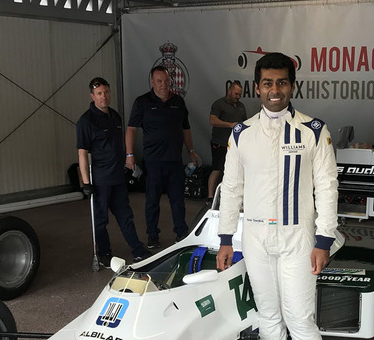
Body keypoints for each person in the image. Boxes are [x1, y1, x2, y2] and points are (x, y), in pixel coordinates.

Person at [216, 52, 338, 340]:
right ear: (256, 87)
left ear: (292, 87)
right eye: (267, 83)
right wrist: (225, 238)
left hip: (298, 238)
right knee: (268, 318)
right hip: (256, 238)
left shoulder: (314, 131)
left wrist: (324, 240)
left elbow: (327, 187)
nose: (274, 90)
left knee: (299, 319)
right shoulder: (241, 133)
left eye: (282, 83)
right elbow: (231, 188)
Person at [76, 77, 149, 266]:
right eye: (99, 93)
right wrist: (85, 183)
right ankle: (105, 254)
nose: (104, 97)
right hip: (100, 180)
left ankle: (138, 250)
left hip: (117, 178)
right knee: (100, 221)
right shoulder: (86, 121)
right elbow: (82, 153)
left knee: (126, 216)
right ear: (92, 96)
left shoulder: (115, 116)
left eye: (106, 92)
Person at [125, 66, 199, 249]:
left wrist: (191, 150)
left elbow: (186, 129)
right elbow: (131, 129)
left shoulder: (178, 102)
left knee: (177, 200)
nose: (163, 85)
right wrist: (129, 154)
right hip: (153, 161)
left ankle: (181, 233)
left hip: (174, 160)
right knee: (152, 201)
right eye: (159, 81)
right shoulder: (142, 102)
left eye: (166, 81)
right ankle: (152, 235)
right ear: (152, 82)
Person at [207, 81, 247, 204]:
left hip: (235, 144)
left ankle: (229, 197)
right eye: (236, 94)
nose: (238, 96)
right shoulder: (219, 104)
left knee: (234, 170)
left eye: (239, 94)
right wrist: (230, 125)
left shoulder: (241, 106)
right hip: (220, 142)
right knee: (217, 169)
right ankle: (210, 196)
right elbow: (212, 121)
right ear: (229, 91)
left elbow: (244, 123)